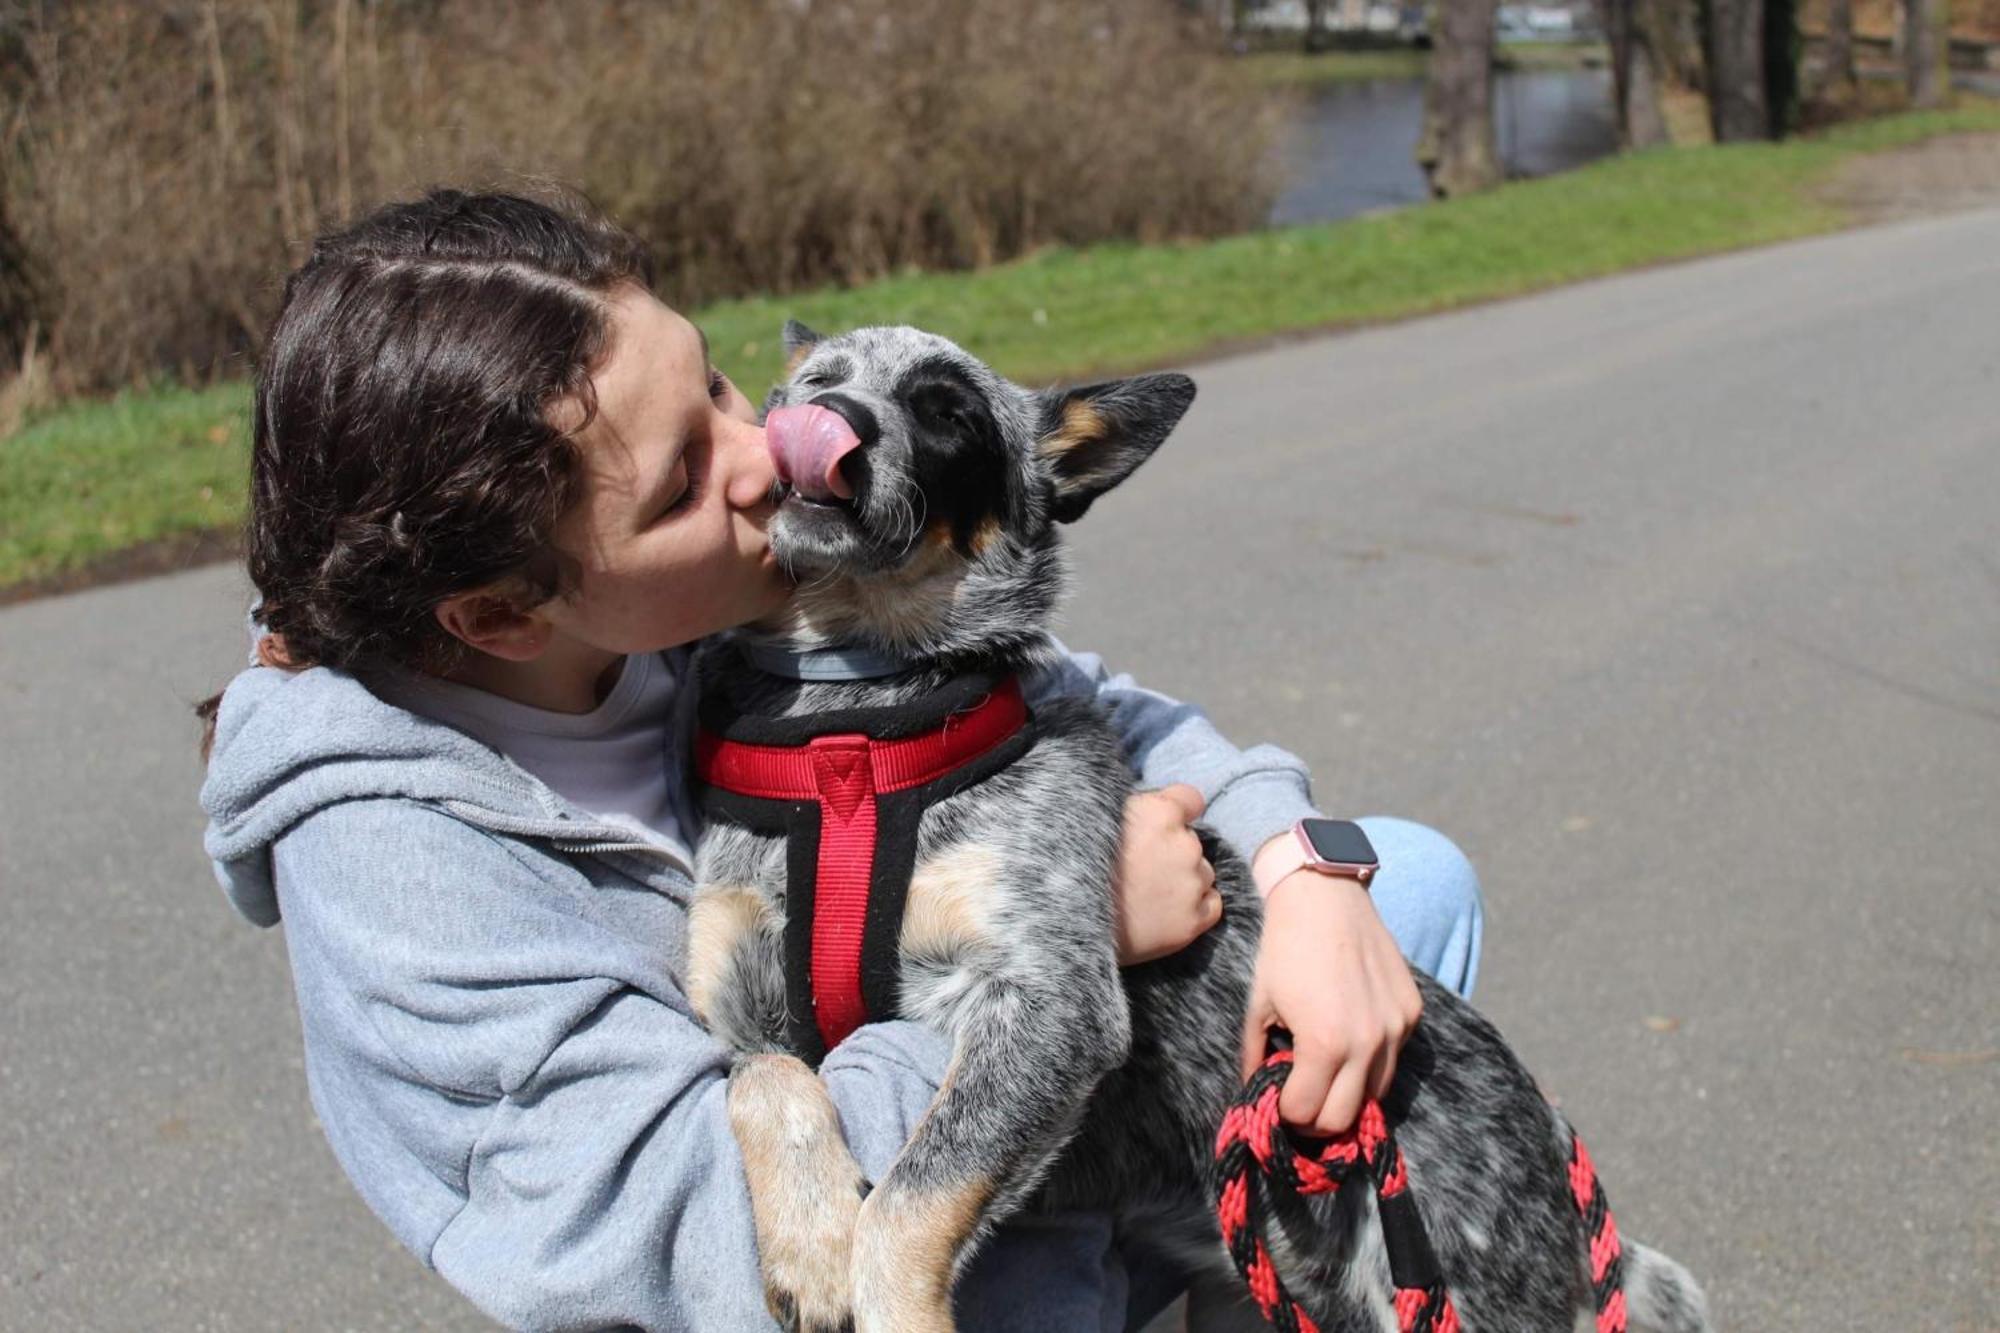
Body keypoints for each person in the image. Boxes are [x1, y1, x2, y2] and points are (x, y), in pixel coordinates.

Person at [197, 189, 1483, 1332]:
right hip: (818, 1282)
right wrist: (1073, 934)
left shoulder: (705, 627)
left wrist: (1306, 866)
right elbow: (693, 1240)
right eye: (685, 481)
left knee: (1406, 885)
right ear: (498, 615)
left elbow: (1101, 704)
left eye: (714, 389)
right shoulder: (393, 867)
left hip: (1038, 1192)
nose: (776, 450)